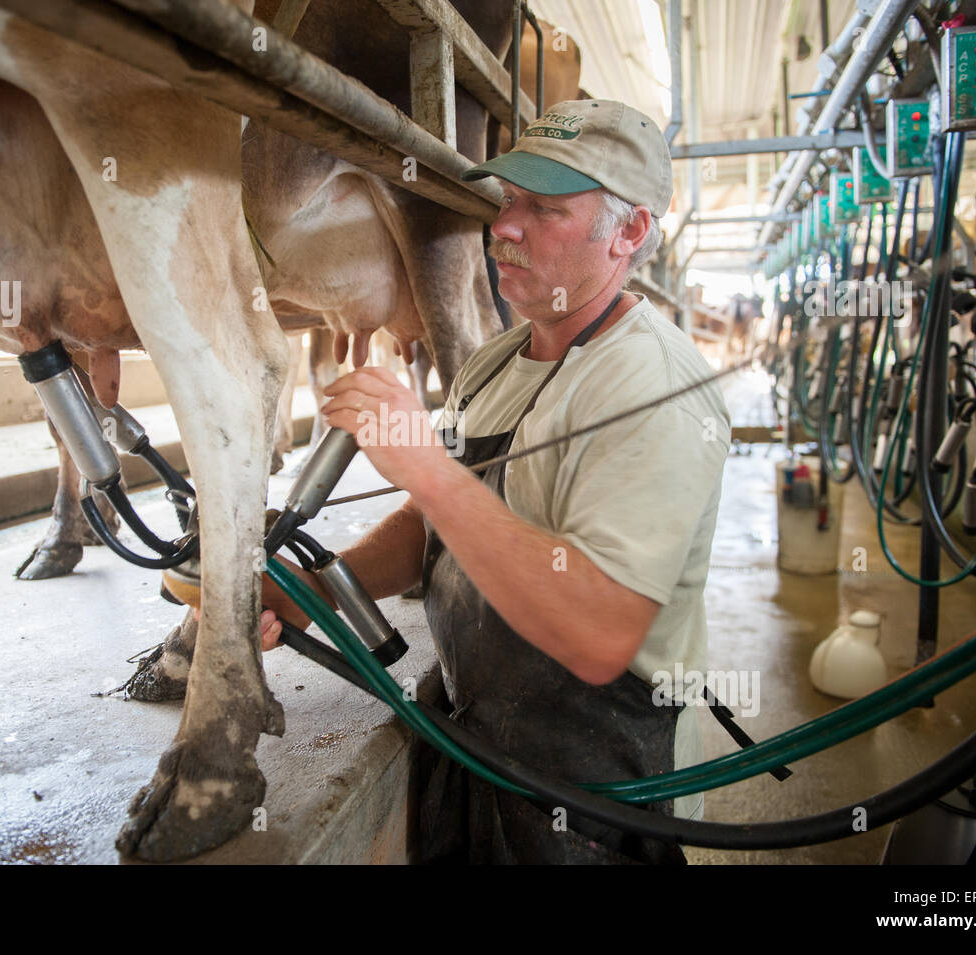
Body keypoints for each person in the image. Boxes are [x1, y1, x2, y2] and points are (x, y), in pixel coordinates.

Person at [257, 99, 731, 864]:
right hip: (482, 741)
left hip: (600, 788)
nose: (504, 227)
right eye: (508, 200)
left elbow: (602, 634)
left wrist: (424, 463)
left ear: (631, 232)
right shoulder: (496, 361)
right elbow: (437, 523)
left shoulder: (654, 389)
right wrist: (317, 590)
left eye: (545, 209)